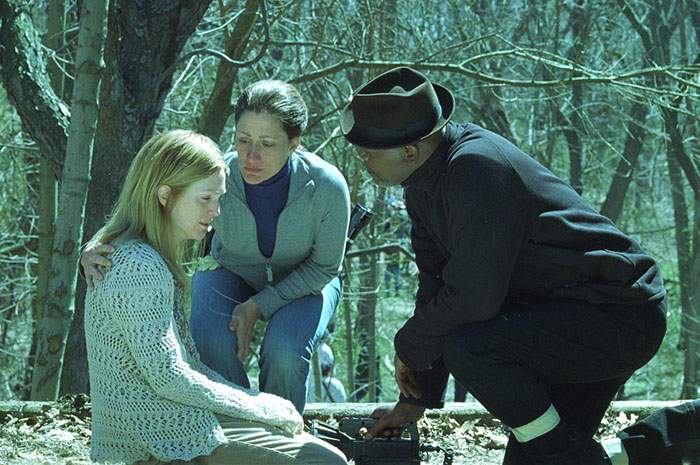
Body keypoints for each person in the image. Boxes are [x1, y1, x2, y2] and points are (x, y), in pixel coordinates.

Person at [340, 66, 679, 465]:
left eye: (367, 153)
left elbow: (473, 299)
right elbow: (436, 286)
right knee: (532, 458)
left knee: (471, 349)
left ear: (409, 150)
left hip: (616, 315)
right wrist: (417, 398)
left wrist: (408, 345)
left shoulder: (477, 168)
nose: (363, 162)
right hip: (560, 318)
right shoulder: (422, 185)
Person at [82, 80, 351, 414]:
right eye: (242, 140)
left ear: (294, 142)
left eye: (267, 144)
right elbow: (152, 204)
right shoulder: (218, 173)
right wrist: (97, 245)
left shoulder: (327, 186)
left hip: (309, 284)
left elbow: (324, 268)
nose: (251, 156)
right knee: (209, 335)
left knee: (285, 350)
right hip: (232, 274)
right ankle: (231, 429)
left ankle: (282, 435)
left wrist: (259, 305)